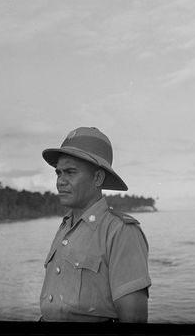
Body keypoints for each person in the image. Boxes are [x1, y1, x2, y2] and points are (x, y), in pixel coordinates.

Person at [39, 127, 151, 322]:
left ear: (98, 178)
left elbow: (134, 320)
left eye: (70, 172)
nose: (60, 181)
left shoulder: (120, 231)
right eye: (58, 173)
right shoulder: (66, 227)